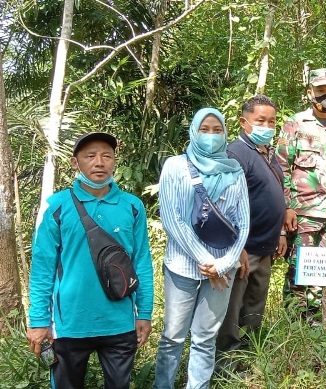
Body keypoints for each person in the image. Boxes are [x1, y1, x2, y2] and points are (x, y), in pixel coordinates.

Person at [26, 131, 154, 388]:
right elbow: (42, 267)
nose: (99, 162)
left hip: (119, 322)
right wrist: (39, 320)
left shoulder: (132, 206)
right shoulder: (56, 207)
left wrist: (145, 313)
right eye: (90, 156)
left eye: (107, 155)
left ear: (115, 161)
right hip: (69, 324)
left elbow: (142, 262)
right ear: (76, 163)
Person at [154, 108, 250, 389]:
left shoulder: (235, 170)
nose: (210, 135)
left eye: (217, 130)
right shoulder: (175, 166)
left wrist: (224, 263)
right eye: (204, 129)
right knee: (173, 336)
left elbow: (242, 223)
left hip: (223, 269)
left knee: (205, 337)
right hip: (182, 265)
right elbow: (172, 219)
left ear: (225, 134)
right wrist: (206, 259)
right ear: (193, 132)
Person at [276, 68, 326, 314]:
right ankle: (296, 317)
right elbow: (281, 168)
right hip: (303, 211)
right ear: (310, 92)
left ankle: (321, 315)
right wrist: (287, 207)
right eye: (321, 90)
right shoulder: (295, 124)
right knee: (299, 266)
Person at [216, 96, 288, 363]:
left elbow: (276, 192)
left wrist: (280, 231)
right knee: (233, 305)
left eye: (271, 121)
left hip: (266, 244)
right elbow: (226, 203)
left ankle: (251, 350)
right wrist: (238, 246)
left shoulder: (266, 152)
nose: (267, 126)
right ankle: (227, 359)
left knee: (255, 302)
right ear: (244, 122)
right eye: (261, 121)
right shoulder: (236, 153)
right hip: (245, 247)